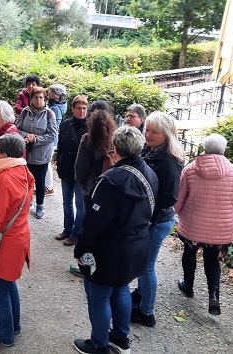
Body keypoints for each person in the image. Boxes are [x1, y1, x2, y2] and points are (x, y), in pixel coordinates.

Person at [73, 126, 158, 354]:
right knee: (121, 290)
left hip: (108, 251)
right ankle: (121, 338)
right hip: (137, 246)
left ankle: (99, 344)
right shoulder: (150, 174)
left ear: (116, 148)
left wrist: (81, 250)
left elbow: (93, 222)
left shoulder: (110, 180)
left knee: (98, 296)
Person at [175, 134, 233, 316]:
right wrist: (230, 219)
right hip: (221, 229)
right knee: (212, 259)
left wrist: (181, 214)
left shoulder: (190, 170)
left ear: (205, 150)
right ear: (224, 150)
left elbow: (179, 199)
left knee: (189, 253)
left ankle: (188, 285)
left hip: (193, 225)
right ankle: (213, 295)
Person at [0, 133, 35, 347]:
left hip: (3, 243)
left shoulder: (3, 178)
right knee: (8, 284)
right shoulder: (23, 170)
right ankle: (13, 323)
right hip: (17, 238)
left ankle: (3, 333)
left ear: (4, 153)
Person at [131, 111, 184, 328]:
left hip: (157, 220)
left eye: (154, 132)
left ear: (167, 134)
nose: (149, 134)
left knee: (146, 267)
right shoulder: (150, 150)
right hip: (150, 218)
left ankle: (147, 312)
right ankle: (141, 294)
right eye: (147, 130)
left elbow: (169, 197)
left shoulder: (169, 160)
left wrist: (145, 214)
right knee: (143, 264)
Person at [71, 106, 116, 276]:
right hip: (110, 189)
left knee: (89, 226)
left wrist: (83, 185)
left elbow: (80, 168)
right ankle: (104, 260)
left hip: (91, 190)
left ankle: (86, 262)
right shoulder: (114, 140)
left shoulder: (87, 140)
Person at [16, 86, 57, 219]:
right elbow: (17, 129)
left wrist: (36, 139)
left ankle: (40, 205)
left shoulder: (49, 113)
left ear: (44, 99)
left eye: (41, 97)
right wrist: (27, 135)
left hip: (41, 154)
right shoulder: (25, 112)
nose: (39, 100)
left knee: (39, 181)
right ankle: (27, 202)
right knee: (26, 180)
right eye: (36, 97)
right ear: (31, 99)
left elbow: (52, 135)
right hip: (25, 153)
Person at [55, 95, 89, 247]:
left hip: (81, 173)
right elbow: (61, 145)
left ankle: (76, 233)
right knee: (66, 202)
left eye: (84, 108)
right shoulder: (66, 124)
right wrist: (59, 161)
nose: (82, 111)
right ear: (73, 109)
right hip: (66, 169)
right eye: (79, 108)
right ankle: (67, 229)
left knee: (80, 206)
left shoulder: (91, 126)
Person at [45, 83, 67, 195]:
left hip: (51, 140)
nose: (48, 93)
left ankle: (49, 187)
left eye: (51, 92)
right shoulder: (61, 105)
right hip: (53, 139)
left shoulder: (55, 108)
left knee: (47, 162)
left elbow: (53, 125)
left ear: (56, 94)